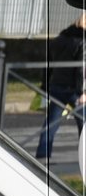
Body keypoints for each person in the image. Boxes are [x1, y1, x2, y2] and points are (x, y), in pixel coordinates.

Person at [34, 11, 85, 160]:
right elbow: (81, 69)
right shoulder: (82, 42)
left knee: (51, 124)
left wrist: (45, 86)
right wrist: (83, 92)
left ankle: (42, 157)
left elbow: (48, 66)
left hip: (56, 87)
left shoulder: (57, 41)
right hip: (75, 90)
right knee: (84, 125)